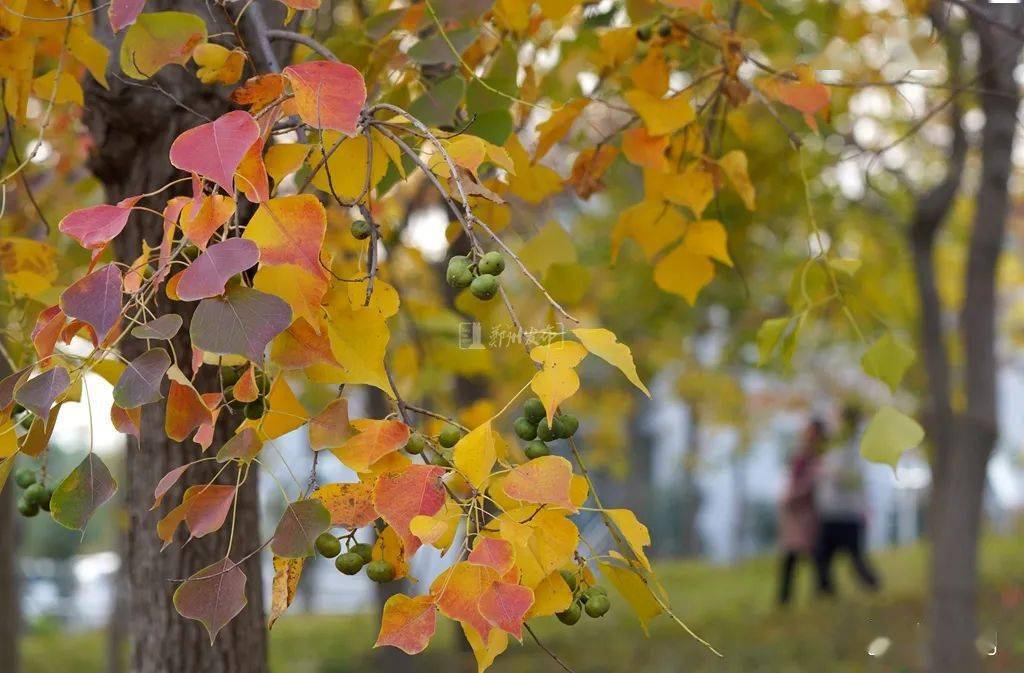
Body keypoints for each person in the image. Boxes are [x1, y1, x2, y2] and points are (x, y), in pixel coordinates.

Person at [814, 404, 880, 597]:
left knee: (846, 557)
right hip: (837, 511)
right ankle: (826, 592)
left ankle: (871, 586)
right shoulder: (841, 445)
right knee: (826, 558)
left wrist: (827, 473)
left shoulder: (852, 447)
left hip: (844, 513)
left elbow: (853, 479)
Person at [777, 417, 826, 606]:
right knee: (796, 555)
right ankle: (788, 598)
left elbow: (811, 482)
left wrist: (794, 494)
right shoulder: (803, 454)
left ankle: (822, 593)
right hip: (797, 510)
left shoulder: (817, 456)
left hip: (807, 510)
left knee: (810, 554)